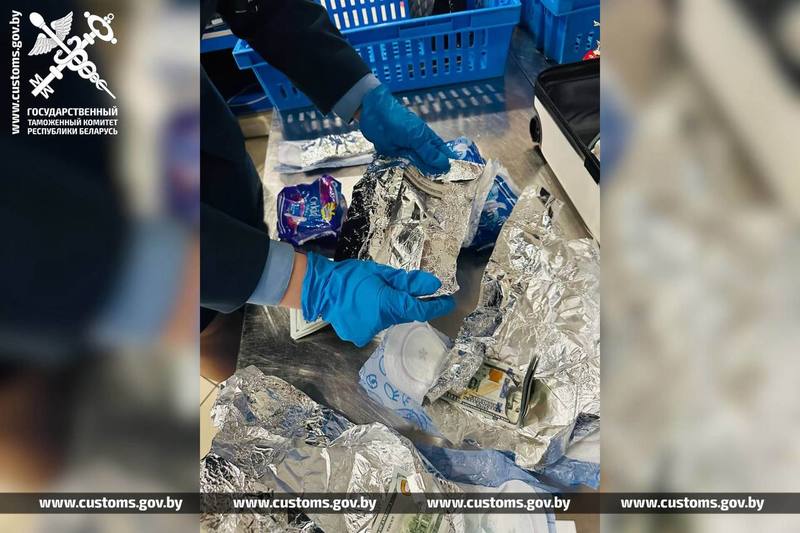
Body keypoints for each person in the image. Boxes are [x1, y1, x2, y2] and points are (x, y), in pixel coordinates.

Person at [201, 0, 458, 348]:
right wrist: (311, 286)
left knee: (238, 235)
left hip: (203, 141)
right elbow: (123, 242)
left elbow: (268, 7)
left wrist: (360, 94)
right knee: (210, 328)